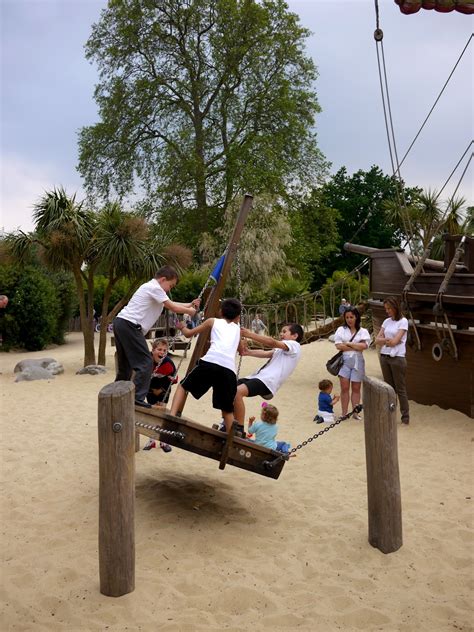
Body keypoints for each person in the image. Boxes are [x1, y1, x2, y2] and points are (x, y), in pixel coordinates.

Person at [113, 265, 200, 408]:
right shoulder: (154, 288)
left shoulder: (152, 288)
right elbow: (173, 307)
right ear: (163, 279)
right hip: (130, 325)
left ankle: (117, 394)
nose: (169, 290)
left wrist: (189, 304)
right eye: (170, 286)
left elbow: (171, 304)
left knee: (126, 366)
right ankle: (137, 399)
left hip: (121, 323)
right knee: (145, 362)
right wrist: (190, 312)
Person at [170, 298, 244, 433]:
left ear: (221, 311)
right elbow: (242, 351)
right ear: (238, 317)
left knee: (183, 386)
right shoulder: (238, 330)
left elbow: (188, 334)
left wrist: (182, 327)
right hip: (229, 370)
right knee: (227, 409)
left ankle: (172, 415)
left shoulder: (212, 321)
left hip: (211, 362)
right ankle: (231, 439)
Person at [234, 323, 304, 427]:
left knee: (237, 392)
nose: (281, 334)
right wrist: (248, 352)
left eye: (284, 331)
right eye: (281, 331)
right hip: (258, 377)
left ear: (295, 336)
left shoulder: (294, 346)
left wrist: (250, 334)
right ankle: (228, 421)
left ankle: (238, 428)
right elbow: (266, 353)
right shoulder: (282, 349)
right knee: (228, 388)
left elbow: (272, 342)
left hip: (267, 381)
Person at [375, 296, 410, 425]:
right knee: (388, 389)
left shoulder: (403, 321)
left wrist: (388, 341)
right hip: (385, 357)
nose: (387, 311)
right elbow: (377, 340)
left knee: (400, 389)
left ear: (395, 307)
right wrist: (387, 341)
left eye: (389, 308)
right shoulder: (386, 321)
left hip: (397, 358)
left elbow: (396, 341)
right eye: (386, 309)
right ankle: (390, 414)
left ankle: (405, 416)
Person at [334, 308, 370, 419]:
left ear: (356, 317)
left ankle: (355, 412)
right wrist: (356, 345)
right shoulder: (341, 329)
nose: (349, 320)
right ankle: (344, 413)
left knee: (356, 388)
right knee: (344, 388)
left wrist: (348, 344)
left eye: (351, 317)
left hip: (358, 361)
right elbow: (338, 346)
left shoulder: (363, 331)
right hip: (344, 361)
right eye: (347, 317)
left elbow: (364, 346)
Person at [147, 338, 177, 406]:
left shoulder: (168, 364)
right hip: (150, 388)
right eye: (159, 349)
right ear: (153, 350)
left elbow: (173, 379)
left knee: (161, 407)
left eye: (164, 350)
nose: (162, 352)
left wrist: (161, 390)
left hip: (163, 388)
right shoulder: (147, 360)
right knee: (152, 408)